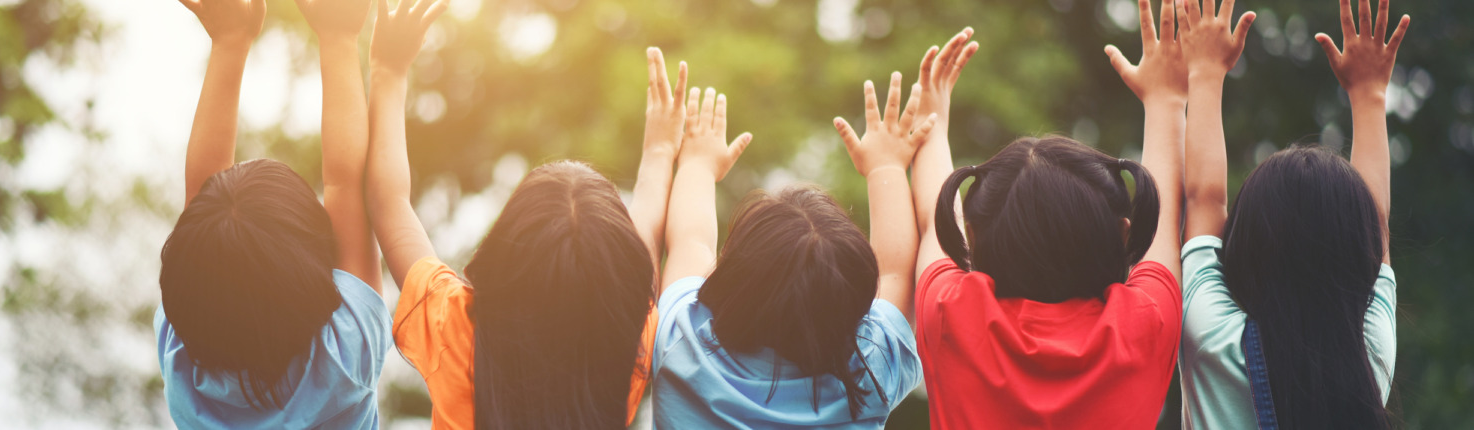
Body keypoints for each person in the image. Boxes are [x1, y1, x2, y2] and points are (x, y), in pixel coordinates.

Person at [363, 0, 675, 427]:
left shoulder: (457, 326)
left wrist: (388, 72)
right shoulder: (628, 347)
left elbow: (388, 204)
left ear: (503, 255)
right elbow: (636, 264)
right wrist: (660, 154)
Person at [909, 16, 1187, 428]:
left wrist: (931, 122)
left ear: (971, 239)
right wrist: (1166, 98)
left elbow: (934, 226)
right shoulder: (1145, 321)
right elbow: (1166, 221)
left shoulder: (953, 315)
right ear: (1123, 234)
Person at [648, 66, 929, 427]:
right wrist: (886, 166)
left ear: (736, 276)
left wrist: (697, 163)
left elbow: (690, 242)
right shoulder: (870, 369)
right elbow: (895, 270)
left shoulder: (682, 343)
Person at [156, 0, 390, 427]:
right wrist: (337, 39)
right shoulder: (343, 356)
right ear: (316, 266)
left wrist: (230, 43)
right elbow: (345, 181)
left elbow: (205, 235)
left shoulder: (185, 367)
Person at [1177, 0, 1407, 427]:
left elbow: (1204, 199)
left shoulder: (1210, 337)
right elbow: (1373, 224)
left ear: (1242, 246)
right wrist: (1371, 95)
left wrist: (1204, 72)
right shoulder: (1368, 356)